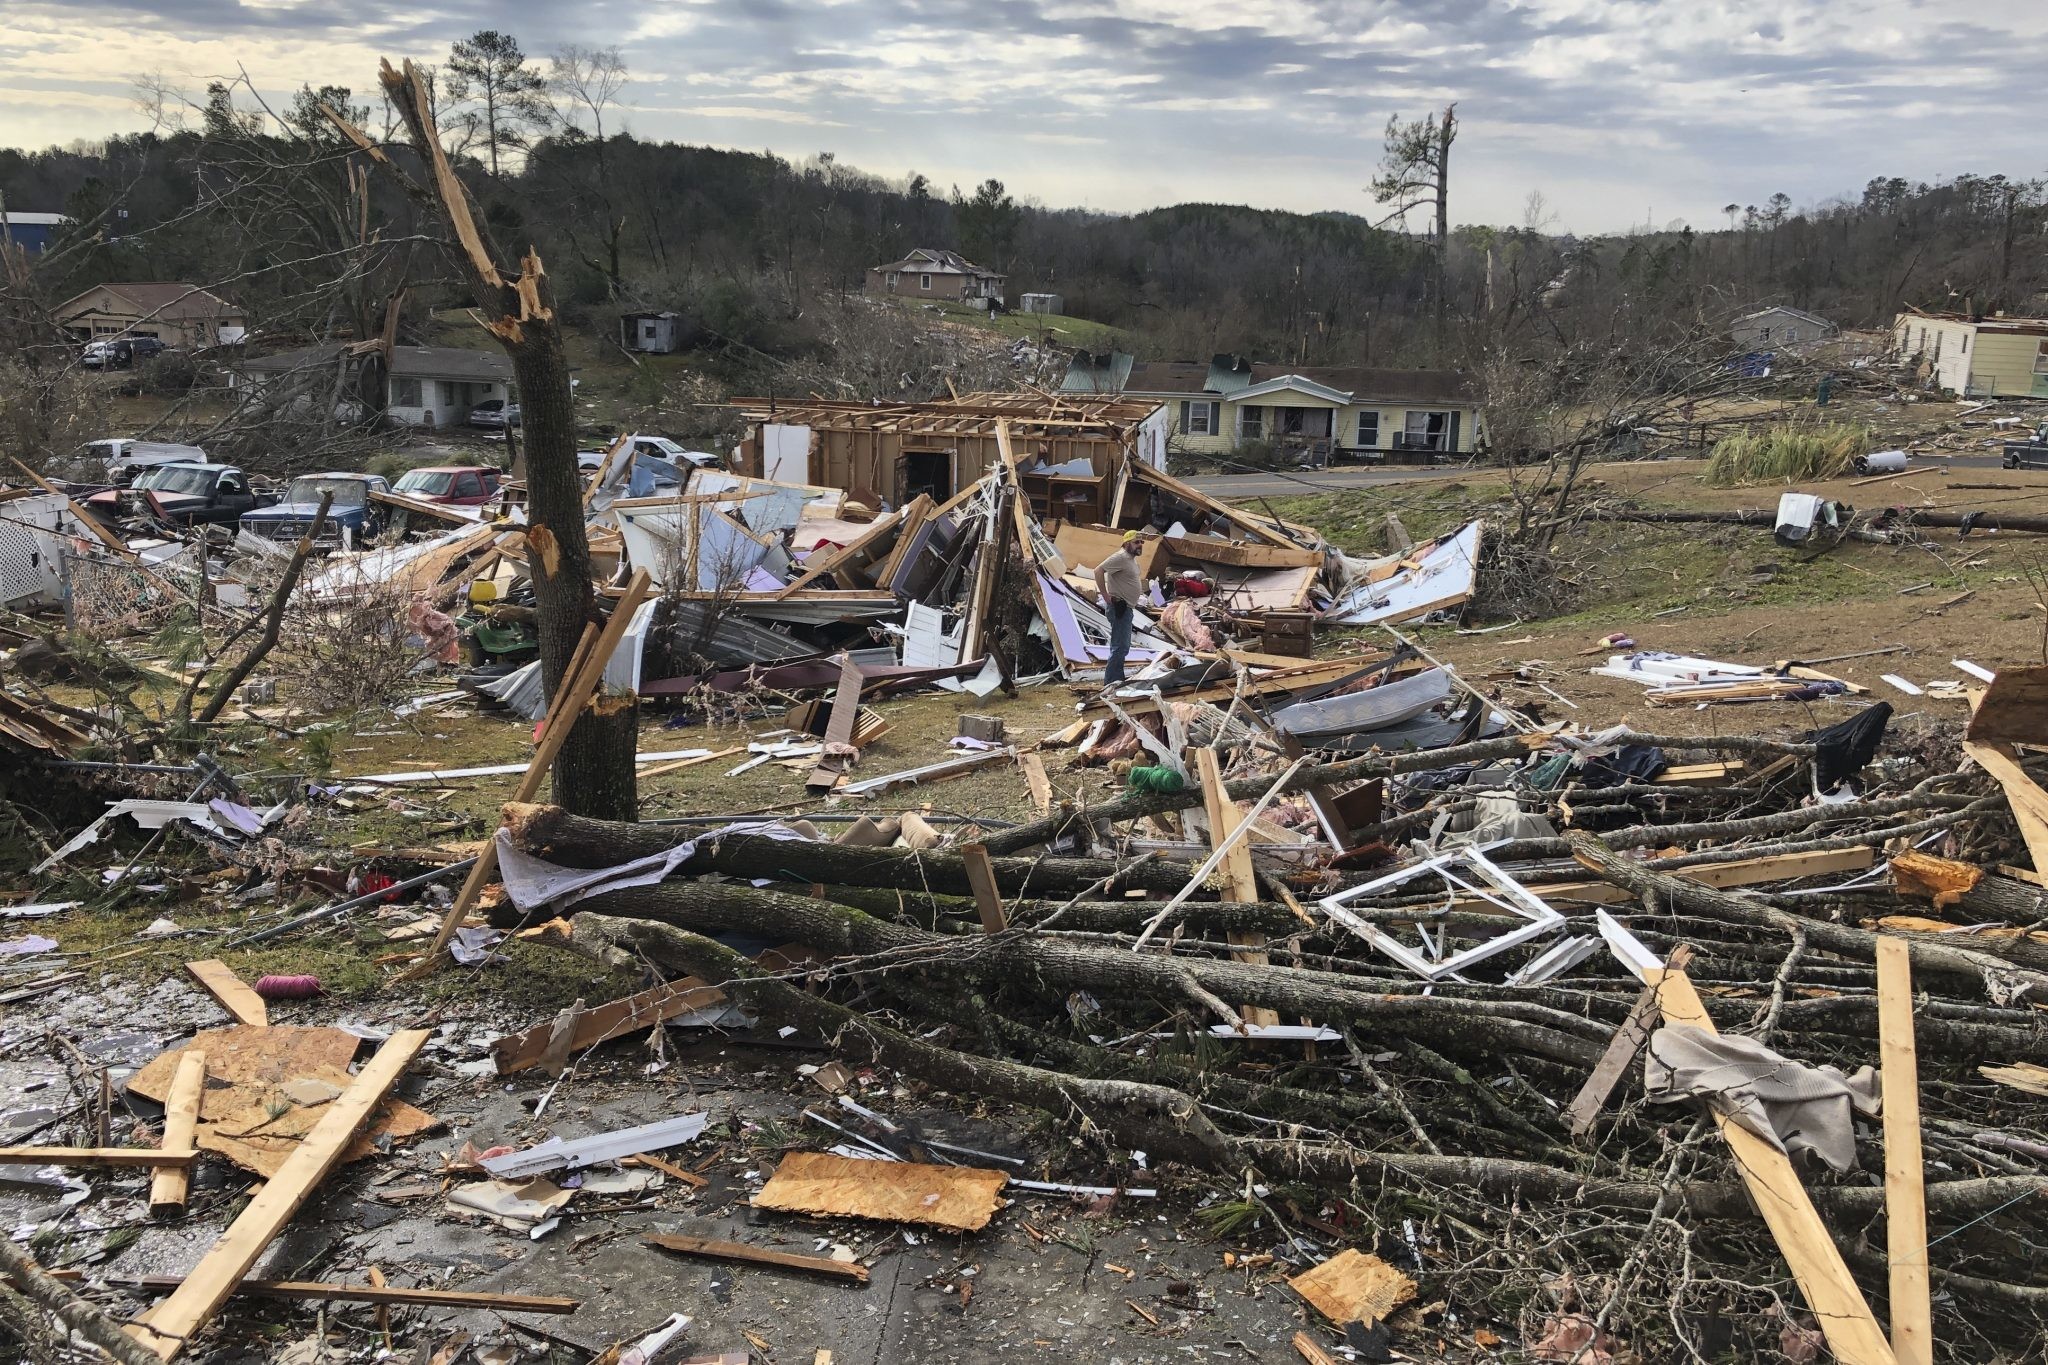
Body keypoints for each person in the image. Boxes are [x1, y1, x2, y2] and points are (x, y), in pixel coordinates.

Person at [1094, 530, 1146, 686]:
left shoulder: (1131, 560)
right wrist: (1105, 595)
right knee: (1119, 646)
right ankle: (1111, 682)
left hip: (1127, 608)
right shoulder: (1120, 557)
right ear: (1126, 543)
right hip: (1119, 606)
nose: (1140, 545)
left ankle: (1117, 679)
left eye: (1141, 543)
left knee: (1123, 646)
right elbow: (1098, 570)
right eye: (1136, 542)